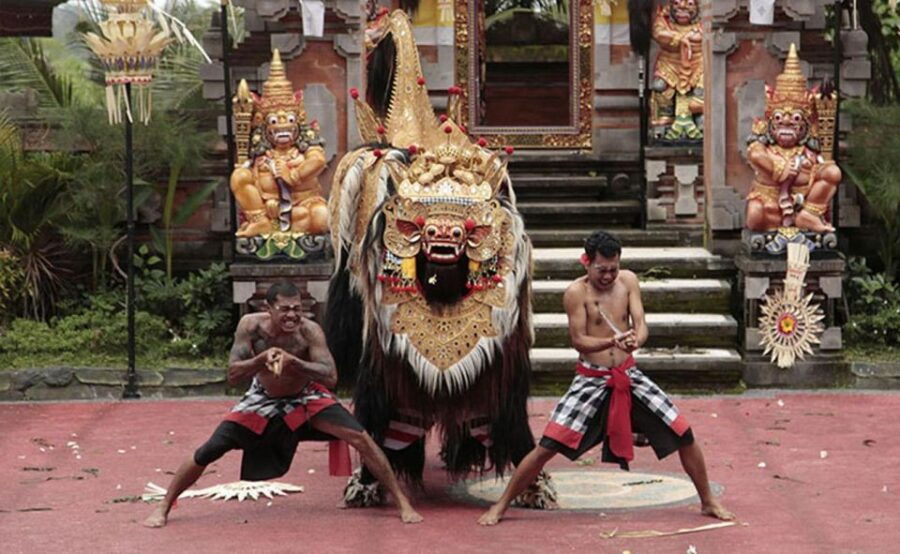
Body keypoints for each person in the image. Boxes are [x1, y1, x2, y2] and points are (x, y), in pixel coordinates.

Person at [478, 231, 734, 525]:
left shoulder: (628, 282)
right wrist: (610, 343)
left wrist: (635, 341)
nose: (609, 276)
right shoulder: (576, 293)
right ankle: (501, 505)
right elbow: (578, 340)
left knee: (684, 434)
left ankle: (708, 501)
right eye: (602, 270)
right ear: (587, 263)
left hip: (628, 375)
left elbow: (641, 324)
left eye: (613, 268)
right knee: (547, 446)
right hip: (591, 380)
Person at [144, 281, 422, 527]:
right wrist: (260, 360)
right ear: (269, 309)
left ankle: (401, 502)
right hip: (262, 397)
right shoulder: (250, 327)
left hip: (306, 396)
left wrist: (295, 363)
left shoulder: (309, 331)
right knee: (210, 449)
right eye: (285, 309)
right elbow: (232, 374)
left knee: (361, 437)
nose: (292, 315)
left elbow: (331, 377)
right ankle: (163, 506)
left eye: (297, 309)